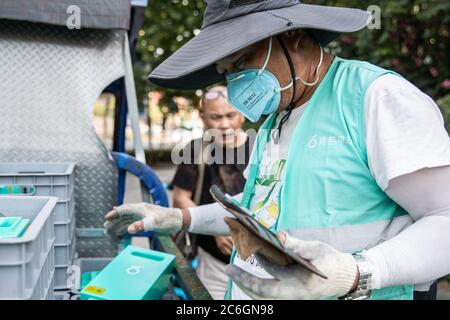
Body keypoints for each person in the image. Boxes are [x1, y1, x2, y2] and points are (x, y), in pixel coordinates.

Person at [104, 1, 450, 300]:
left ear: (292, 36)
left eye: (239, 61)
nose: (233, 81)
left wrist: (356, 272)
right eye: (226, 72)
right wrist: (181, 218)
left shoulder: (376, 98)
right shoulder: (277, 120)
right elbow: (258, 213)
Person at [170, 86, 251, 299]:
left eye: (230, 115)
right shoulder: (196, 150)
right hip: (214, 265)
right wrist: (214, 228)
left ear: (242, 114)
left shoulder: (260, 147)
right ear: (203, 118)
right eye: (215, 117)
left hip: (259, 262)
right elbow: (180, 197)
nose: (224, 125)